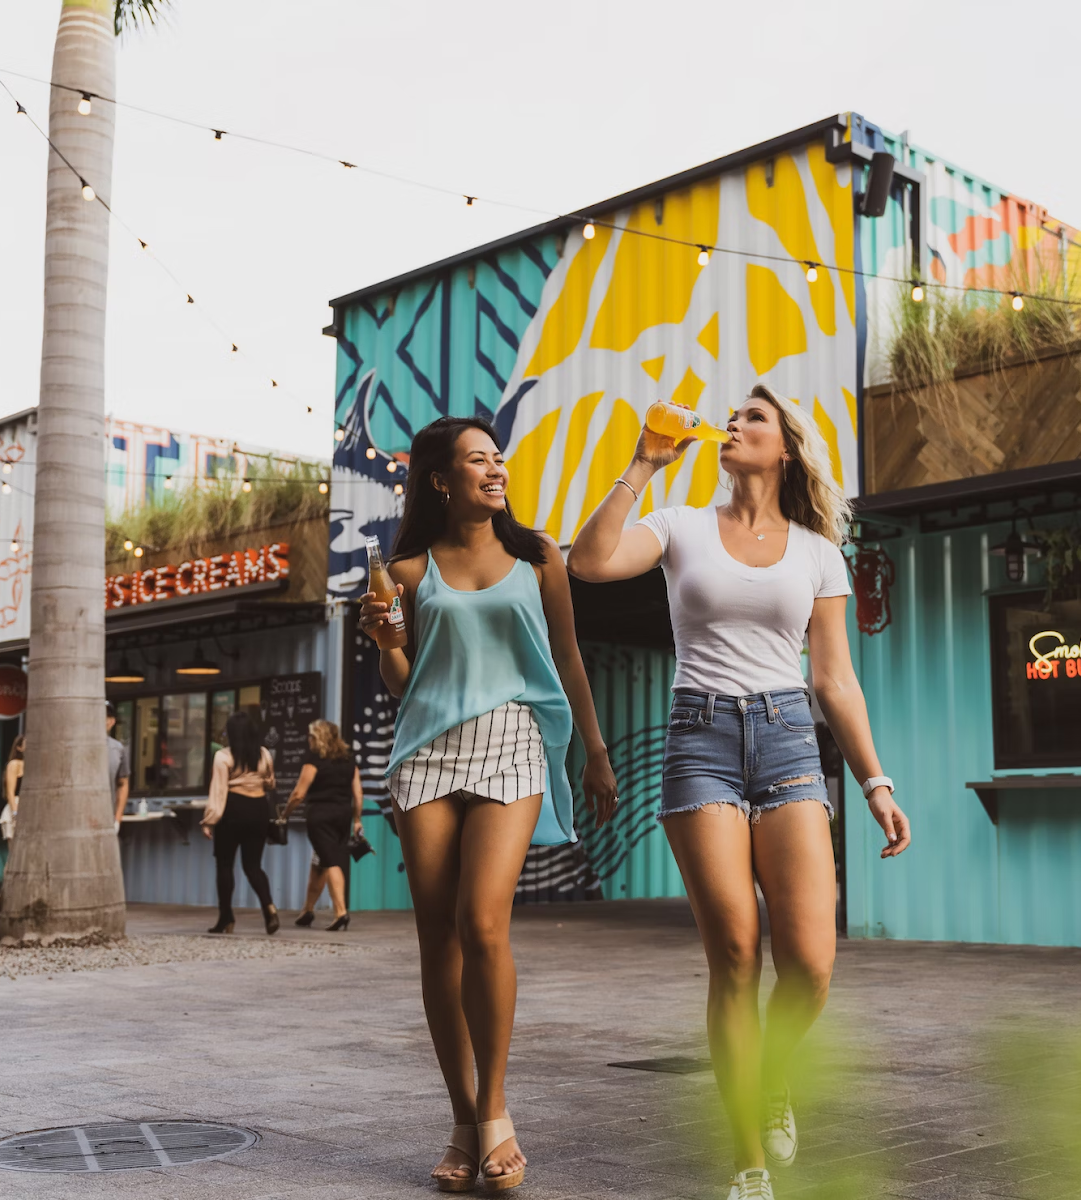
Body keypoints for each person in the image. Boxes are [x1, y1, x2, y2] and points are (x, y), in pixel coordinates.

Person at [569, 384, 913, 1200]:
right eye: (733, 418)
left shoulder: (817, 551)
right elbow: (588, 563)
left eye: (753, 418)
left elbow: (834, 678)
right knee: (734, 952)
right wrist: (643, 465)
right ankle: (749, 1161)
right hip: (701, 741)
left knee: (810, 968)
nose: (733, 424)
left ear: (785, 446)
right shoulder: (683, 525)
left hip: (791, 740)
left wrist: (876, 780)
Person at [359, 415, 619, 1193]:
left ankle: (496, 1109)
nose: (496, 469)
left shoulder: (539, 557)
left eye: (498, 458)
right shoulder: (403, 572)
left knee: (483, 922)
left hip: (513, 742)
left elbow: (568, 656)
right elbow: (405, 682)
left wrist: (595, 752)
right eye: (478, 460)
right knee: (437, 938)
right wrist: (382, 641)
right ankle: (463, 1120)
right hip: (427, 752)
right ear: (442, 479)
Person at [201, 709, 280, 936]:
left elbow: (218, 791)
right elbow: (271, 784)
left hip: (233, 810)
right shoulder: (264, 754)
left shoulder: (223, 757)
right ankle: (269, 907)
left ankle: (226, 917)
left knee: (225, 865)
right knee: (253, 866)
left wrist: (209, 821)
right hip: (259, 810)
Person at [281, 719, 363, 932]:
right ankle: (307, 911)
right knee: (320, 860)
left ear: (317, 738)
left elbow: (299, 793)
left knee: (330, 860)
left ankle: (340, 912)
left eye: (310, 736)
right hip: (343, 816)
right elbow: (358, 794)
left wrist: (285, 814)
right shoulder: (348, 759)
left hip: (321, 816)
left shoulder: (314, 759)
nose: (308, 739)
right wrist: (357, 820)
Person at [106, 701, 130, 829]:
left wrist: (118, 818)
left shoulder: (117, 749)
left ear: (112, 722)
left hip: (107, 817)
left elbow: (123, 783)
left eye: (106, 716)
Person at [0, 735, 24, 841]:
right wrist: (15, 813)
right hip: (16, 805)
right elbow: (10, 792)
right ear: (19, 747)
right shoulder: (15, 764)